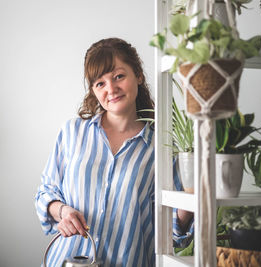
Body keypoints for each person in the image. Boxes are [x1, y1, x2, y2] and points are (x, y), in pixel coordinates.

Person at [35, 38, 193, 266]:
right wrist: (63, 211)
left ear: (138, 75)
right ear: (93, 90)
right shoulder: (72, 133)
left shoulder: (162, 148)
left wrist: (192, 193)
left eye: (119, 76)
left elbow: (172, 232)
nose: (111, 89)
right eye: (100, 83)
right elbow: (45, 193)